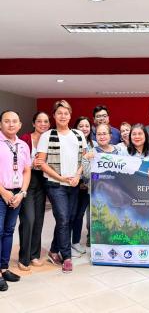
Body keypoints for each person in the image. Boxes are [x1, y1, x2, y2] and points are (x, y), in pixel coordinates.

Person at [37, 100, 87, 274]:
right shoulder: (47, 135)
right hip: (55, 184)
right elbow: (41, 162)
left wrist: (78, 175)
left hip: (73, 184)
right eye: (59, 113)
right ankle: (66, 257)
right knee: (64, 218)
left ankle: (53, 250)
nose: (63, 116)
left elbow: (85, 159)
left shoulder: (78, 134)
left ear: (70, 115)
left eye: (66, 113)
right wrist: (60, 177)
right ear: (54, 116)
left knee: (70, 218)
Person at [0, 111, 31, 291]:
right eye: (6, 121)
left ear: (19, 124)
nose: (11, 124)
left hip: (17, 194)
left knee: (9, 231)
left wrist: (22, 192)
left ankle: (4, 268)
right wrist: (3, 192)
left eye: (14, 121)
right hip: (1, 192)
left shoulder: (22, 145)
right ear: (1, 124)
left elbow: (26, 170)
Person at [18, 111, 50, 271]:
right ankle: (24, 257)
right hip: (27, 182)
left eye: (45, 121)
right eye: (39, 121)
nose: (43, 124)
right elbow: (18, 161)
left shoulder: (51, 139)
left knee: (38, 220)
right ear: (33, 123)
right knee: (28, 219)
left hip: (43, 182)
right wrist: (32, 164)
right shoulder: (24, 139)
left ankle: (34, 255)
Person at [71, 117, 94, 256]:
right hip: (72, 183)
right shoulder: (71, 142)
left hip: (87, 185)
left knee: (80, 214)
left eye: (87, 125)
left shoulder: (94, 144)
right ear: (76, 128)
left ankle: (76, 242)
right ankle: (68, 243)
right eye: (81, 125)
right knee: (71, 214)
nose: (84, 128)